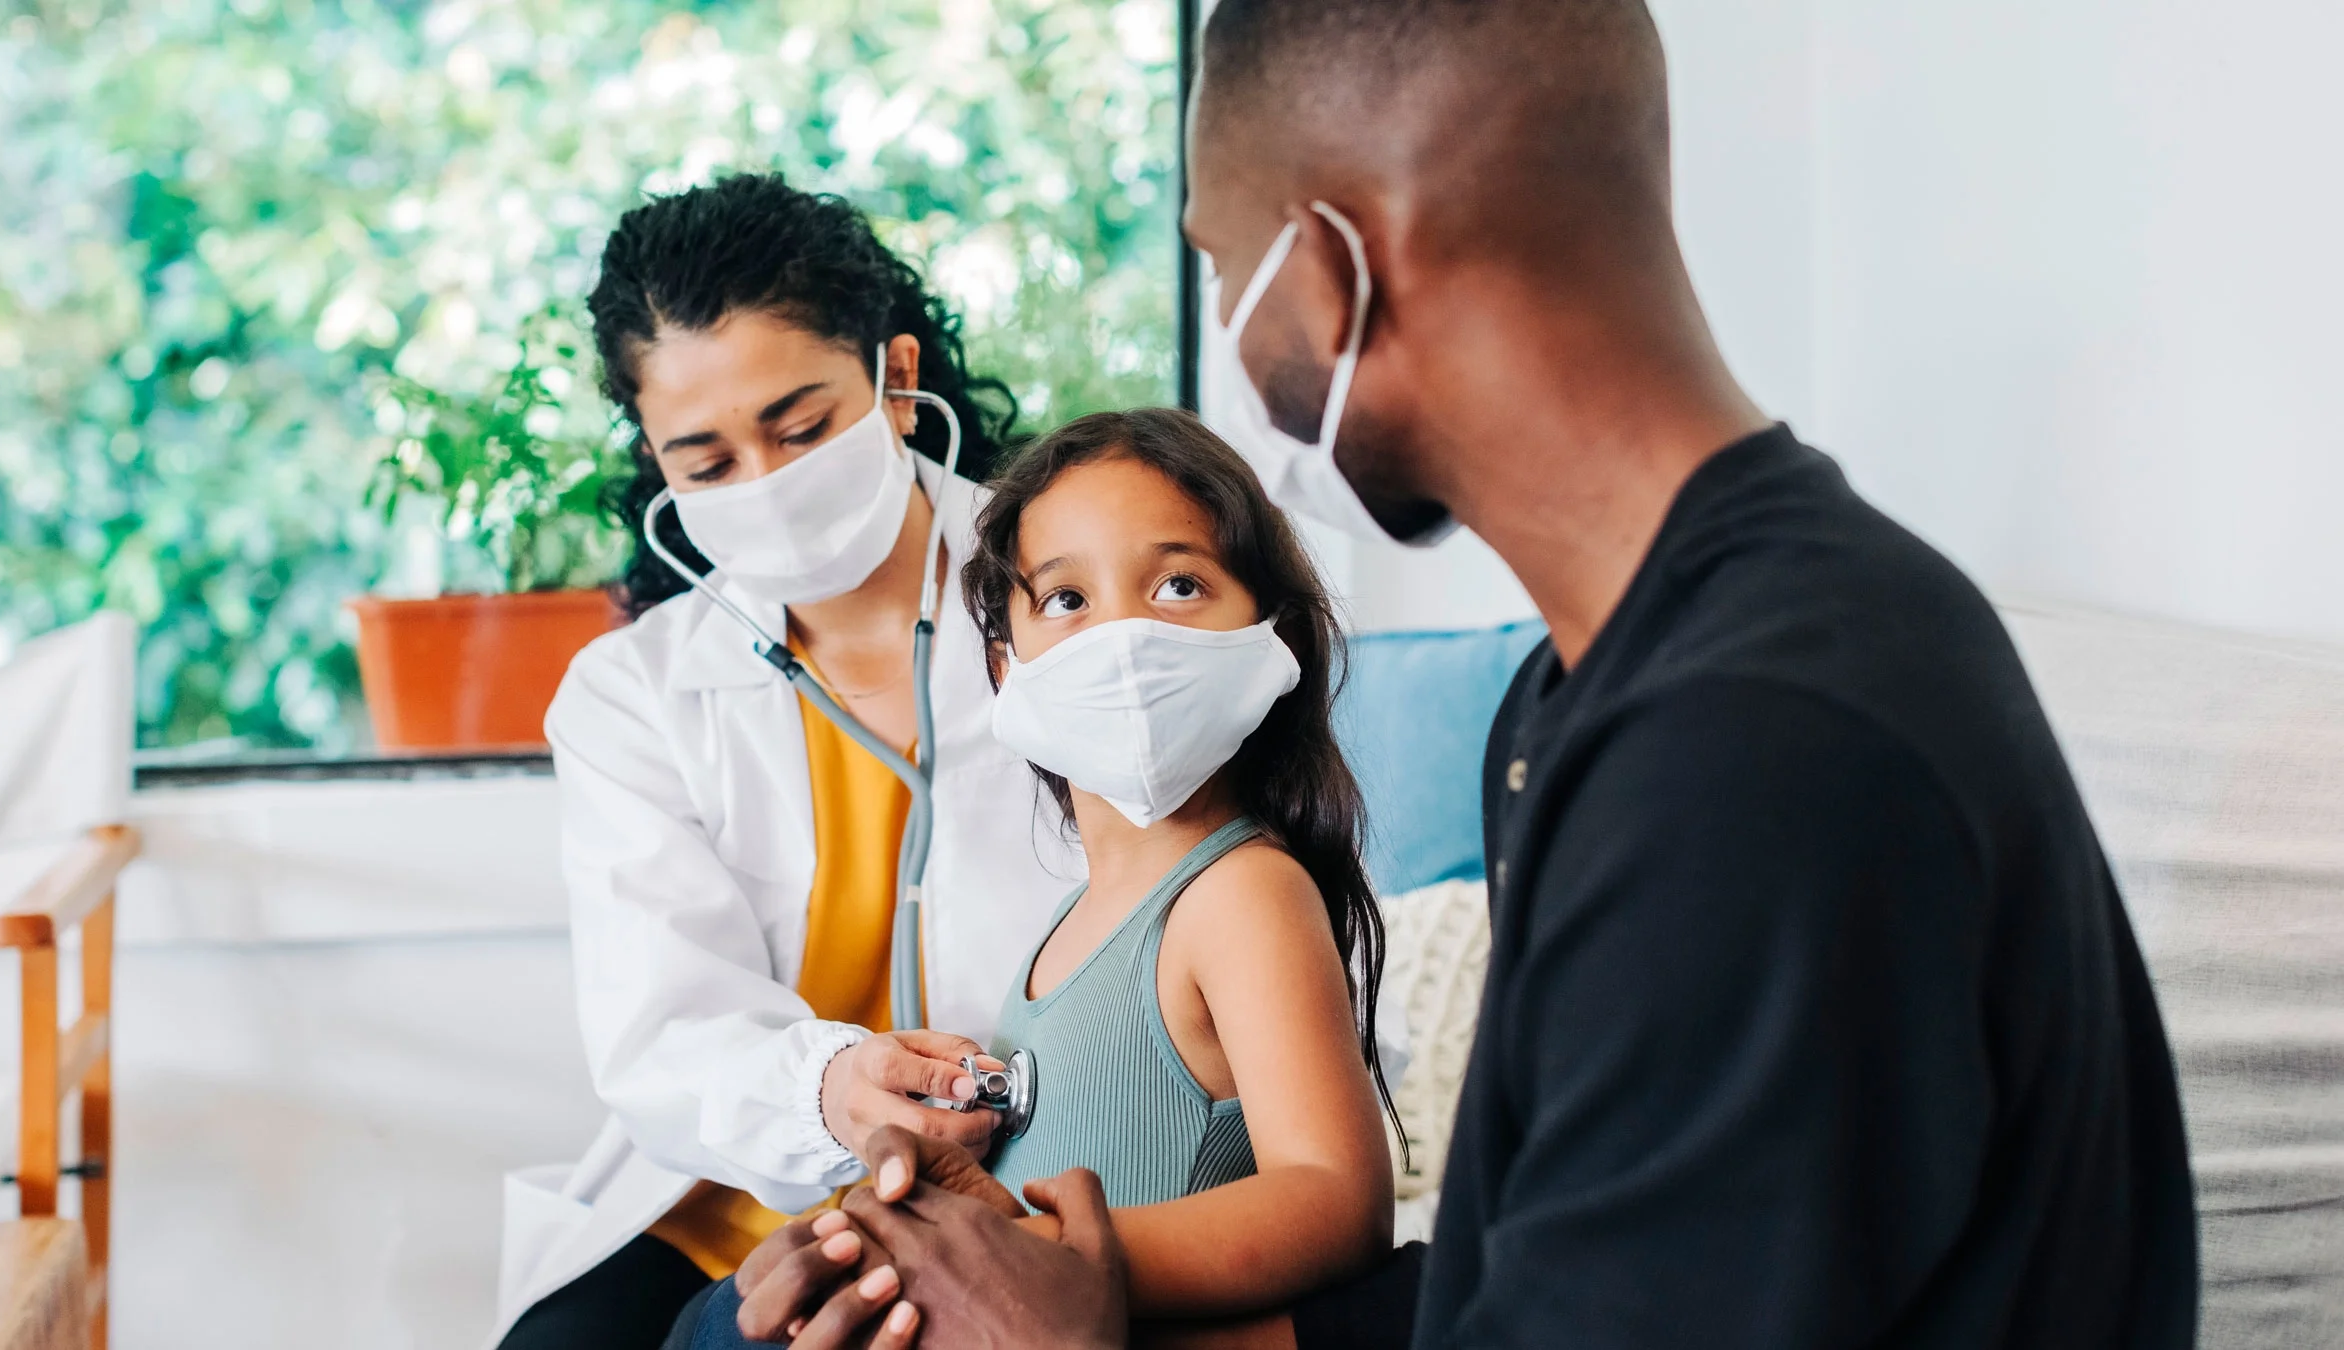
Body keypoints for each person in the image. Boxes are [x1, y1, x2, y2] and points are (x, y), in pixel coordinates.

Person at [731, 1, 2202, 1347]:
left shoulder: (1749, 746)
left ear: (1327, 273)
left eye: (1222, 268)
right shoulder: (1614, 689)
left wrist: (1057, 1330)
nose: (1234, 334)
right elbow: (1527, 1279)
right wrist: (1006, 1264)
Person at [488, 173, 1082, 1350]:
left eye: (802, 430)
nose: (766, 486)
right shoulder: (633, 696)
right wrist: (832, 1091)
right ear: (655, 461)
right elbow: (666, 1034)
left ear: (897, 381)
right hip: (737, 1194)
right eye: (707, 464)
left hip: (1031, 1166)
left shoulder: (1075, 595)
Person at [679, 409, 1403, 1349]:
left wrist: (1036, 1253)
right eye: (1066, 599)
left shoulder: (1242, 896)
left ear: (1279, 637)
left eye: (1179, 585)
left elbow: (1336, 1200)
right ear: (1004, 670)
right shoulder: (1071, 923)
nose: (1124, 636)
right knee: (737, 1313)